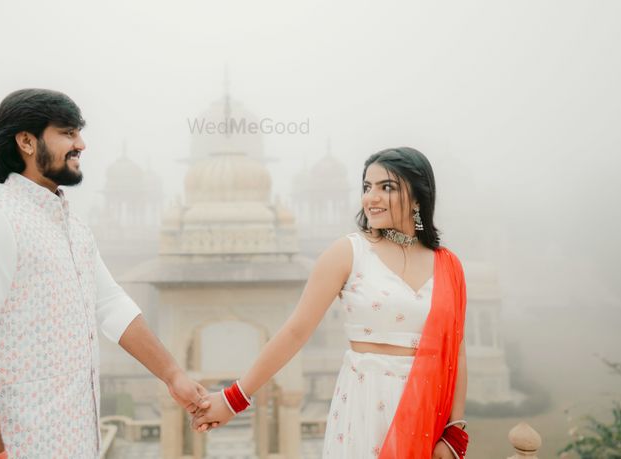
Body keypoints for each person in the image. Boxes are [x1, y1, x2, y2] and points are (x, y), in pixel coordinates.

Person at [0, 88, 208, 459]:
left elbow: (111, 306)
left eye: (78, 132)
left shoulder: (73, 229)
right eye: (67, 132)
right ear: (26, 142)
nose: (81, 144)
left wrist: (174, 377)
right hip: (20, 448)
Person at [192, 147, 469, 459]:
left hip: (427, 409)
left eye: (387, 187)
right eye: (367, 187)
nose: (372, 198)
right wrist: (234, 399)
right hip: (365, 408)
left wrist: (454, 431)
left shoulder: (448, 266)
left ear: (419, 197)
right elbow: (296, 331)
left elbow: (455, 351)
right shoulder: (350, 252)